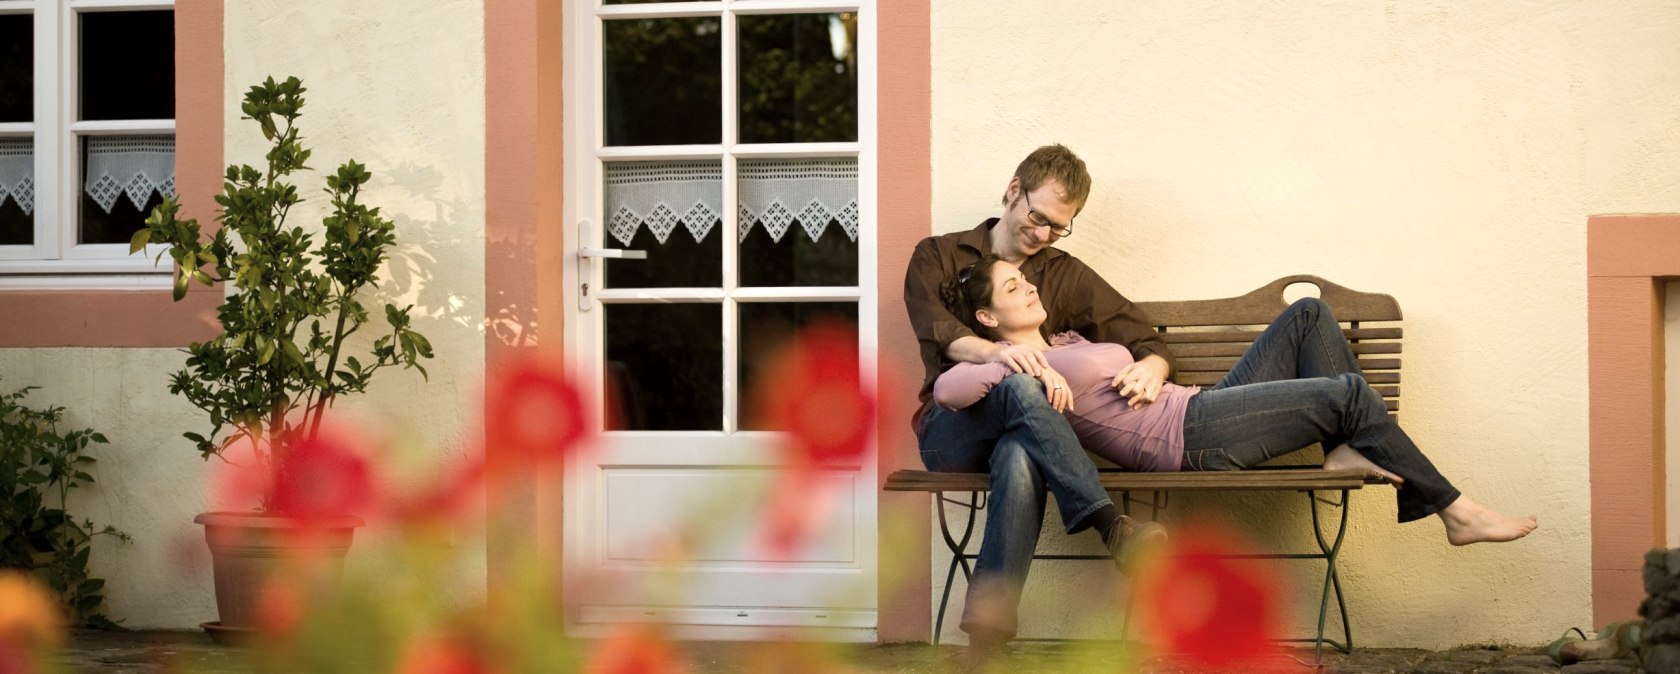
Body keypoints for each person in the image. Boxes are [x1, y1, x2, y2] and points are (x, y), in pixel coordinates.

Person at [936, 254, 1541, 547]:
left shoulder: (1064, 340)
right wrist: (996, 359)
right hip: (1189, 441)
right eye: (1014, 285)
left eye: (1027, 276)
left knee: (1307, 315)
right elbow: (947, 390)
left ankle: (1340, 452)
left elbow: (1137, 356)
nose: (1031, 283)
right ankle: (1455, 511)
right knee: (1348, 392)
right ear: (989, 316)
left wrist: (1150, 361)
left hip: (1200, 405)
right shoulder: (1016, 370)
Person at [903, 145, 1170, 653]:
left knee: (1019, 453)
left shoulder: (1063, 275)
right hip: (951, 428)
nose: (1043, 235)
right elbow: (937, 330)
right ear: (1012, 191)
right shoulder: (936, 255)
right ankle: (1108, 523)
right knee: (1021, 385)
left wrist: (1153, 365)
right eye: (1037, 217)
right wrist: (999, 353)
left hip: (1028, 432)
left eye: (1058, 227)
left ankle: (986, 642)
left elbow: (1143, 337)